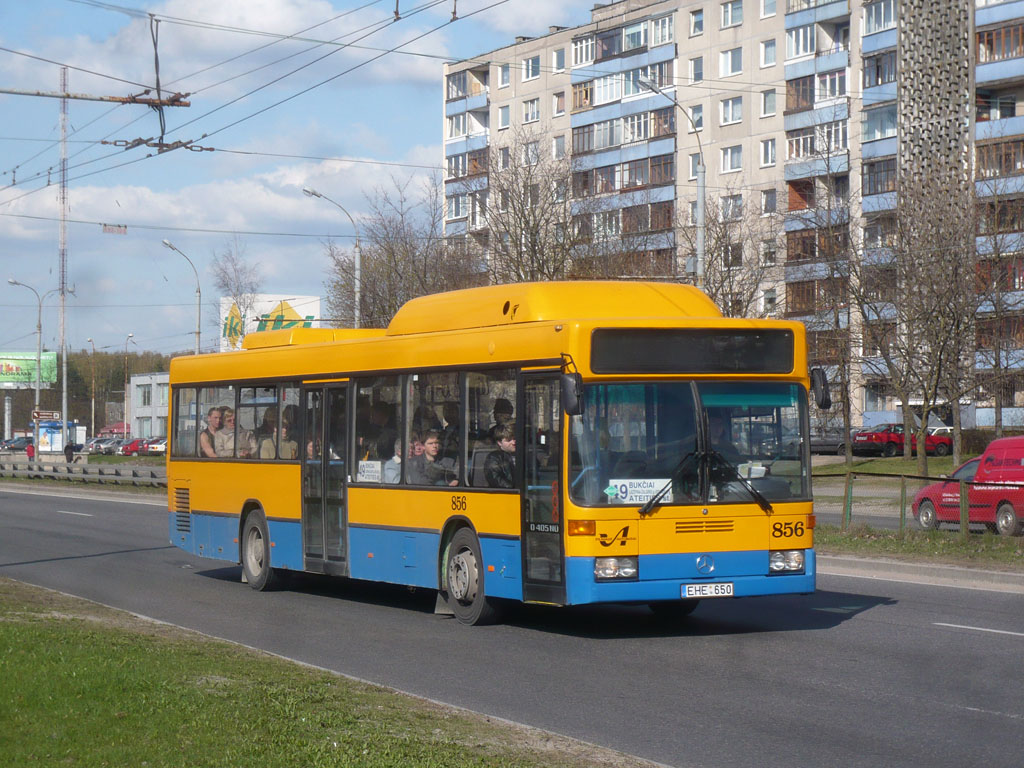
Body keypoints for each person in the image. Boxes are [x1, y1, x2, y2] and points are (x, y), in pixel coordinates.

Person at [484, 424, 516, 488]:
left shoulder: (526, 456)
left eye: (514, 438)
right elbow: (496, 479)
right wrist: (515, 488)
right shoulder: (493, 458)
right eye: (508, 440)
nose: (513, 442)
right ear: (499, 443)